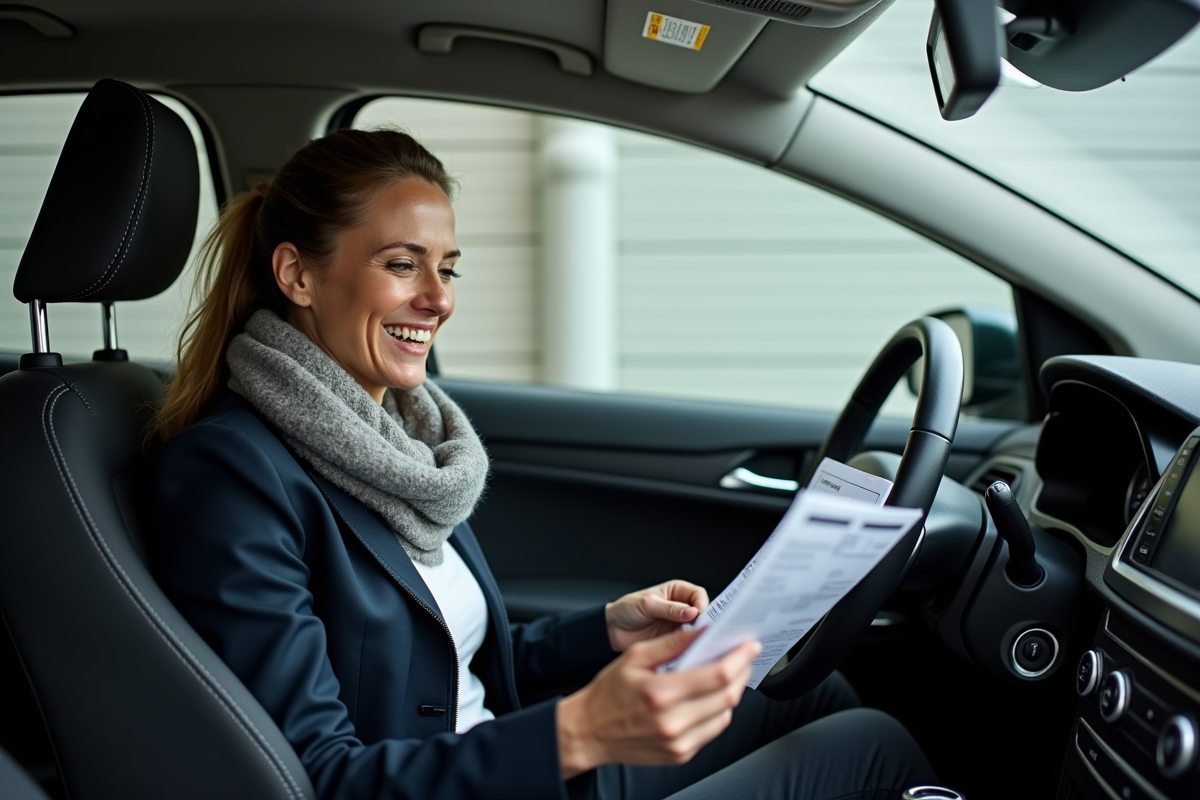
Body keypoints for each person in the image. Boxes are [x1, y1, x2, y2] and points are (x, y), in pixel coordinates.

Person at [151, 128, 937, 800]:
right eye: (402, 264)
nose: (438, 299)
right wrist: (576, 734)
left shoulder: (399, 445)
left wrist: (605, 632)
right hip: (486, 779)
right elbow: (317, 779)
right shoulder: (232, 474)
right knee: (871, 749)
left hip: (498, 764)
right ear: (298, 275)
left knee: (815, 694)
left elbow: (450, 666)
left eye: (448, 268)